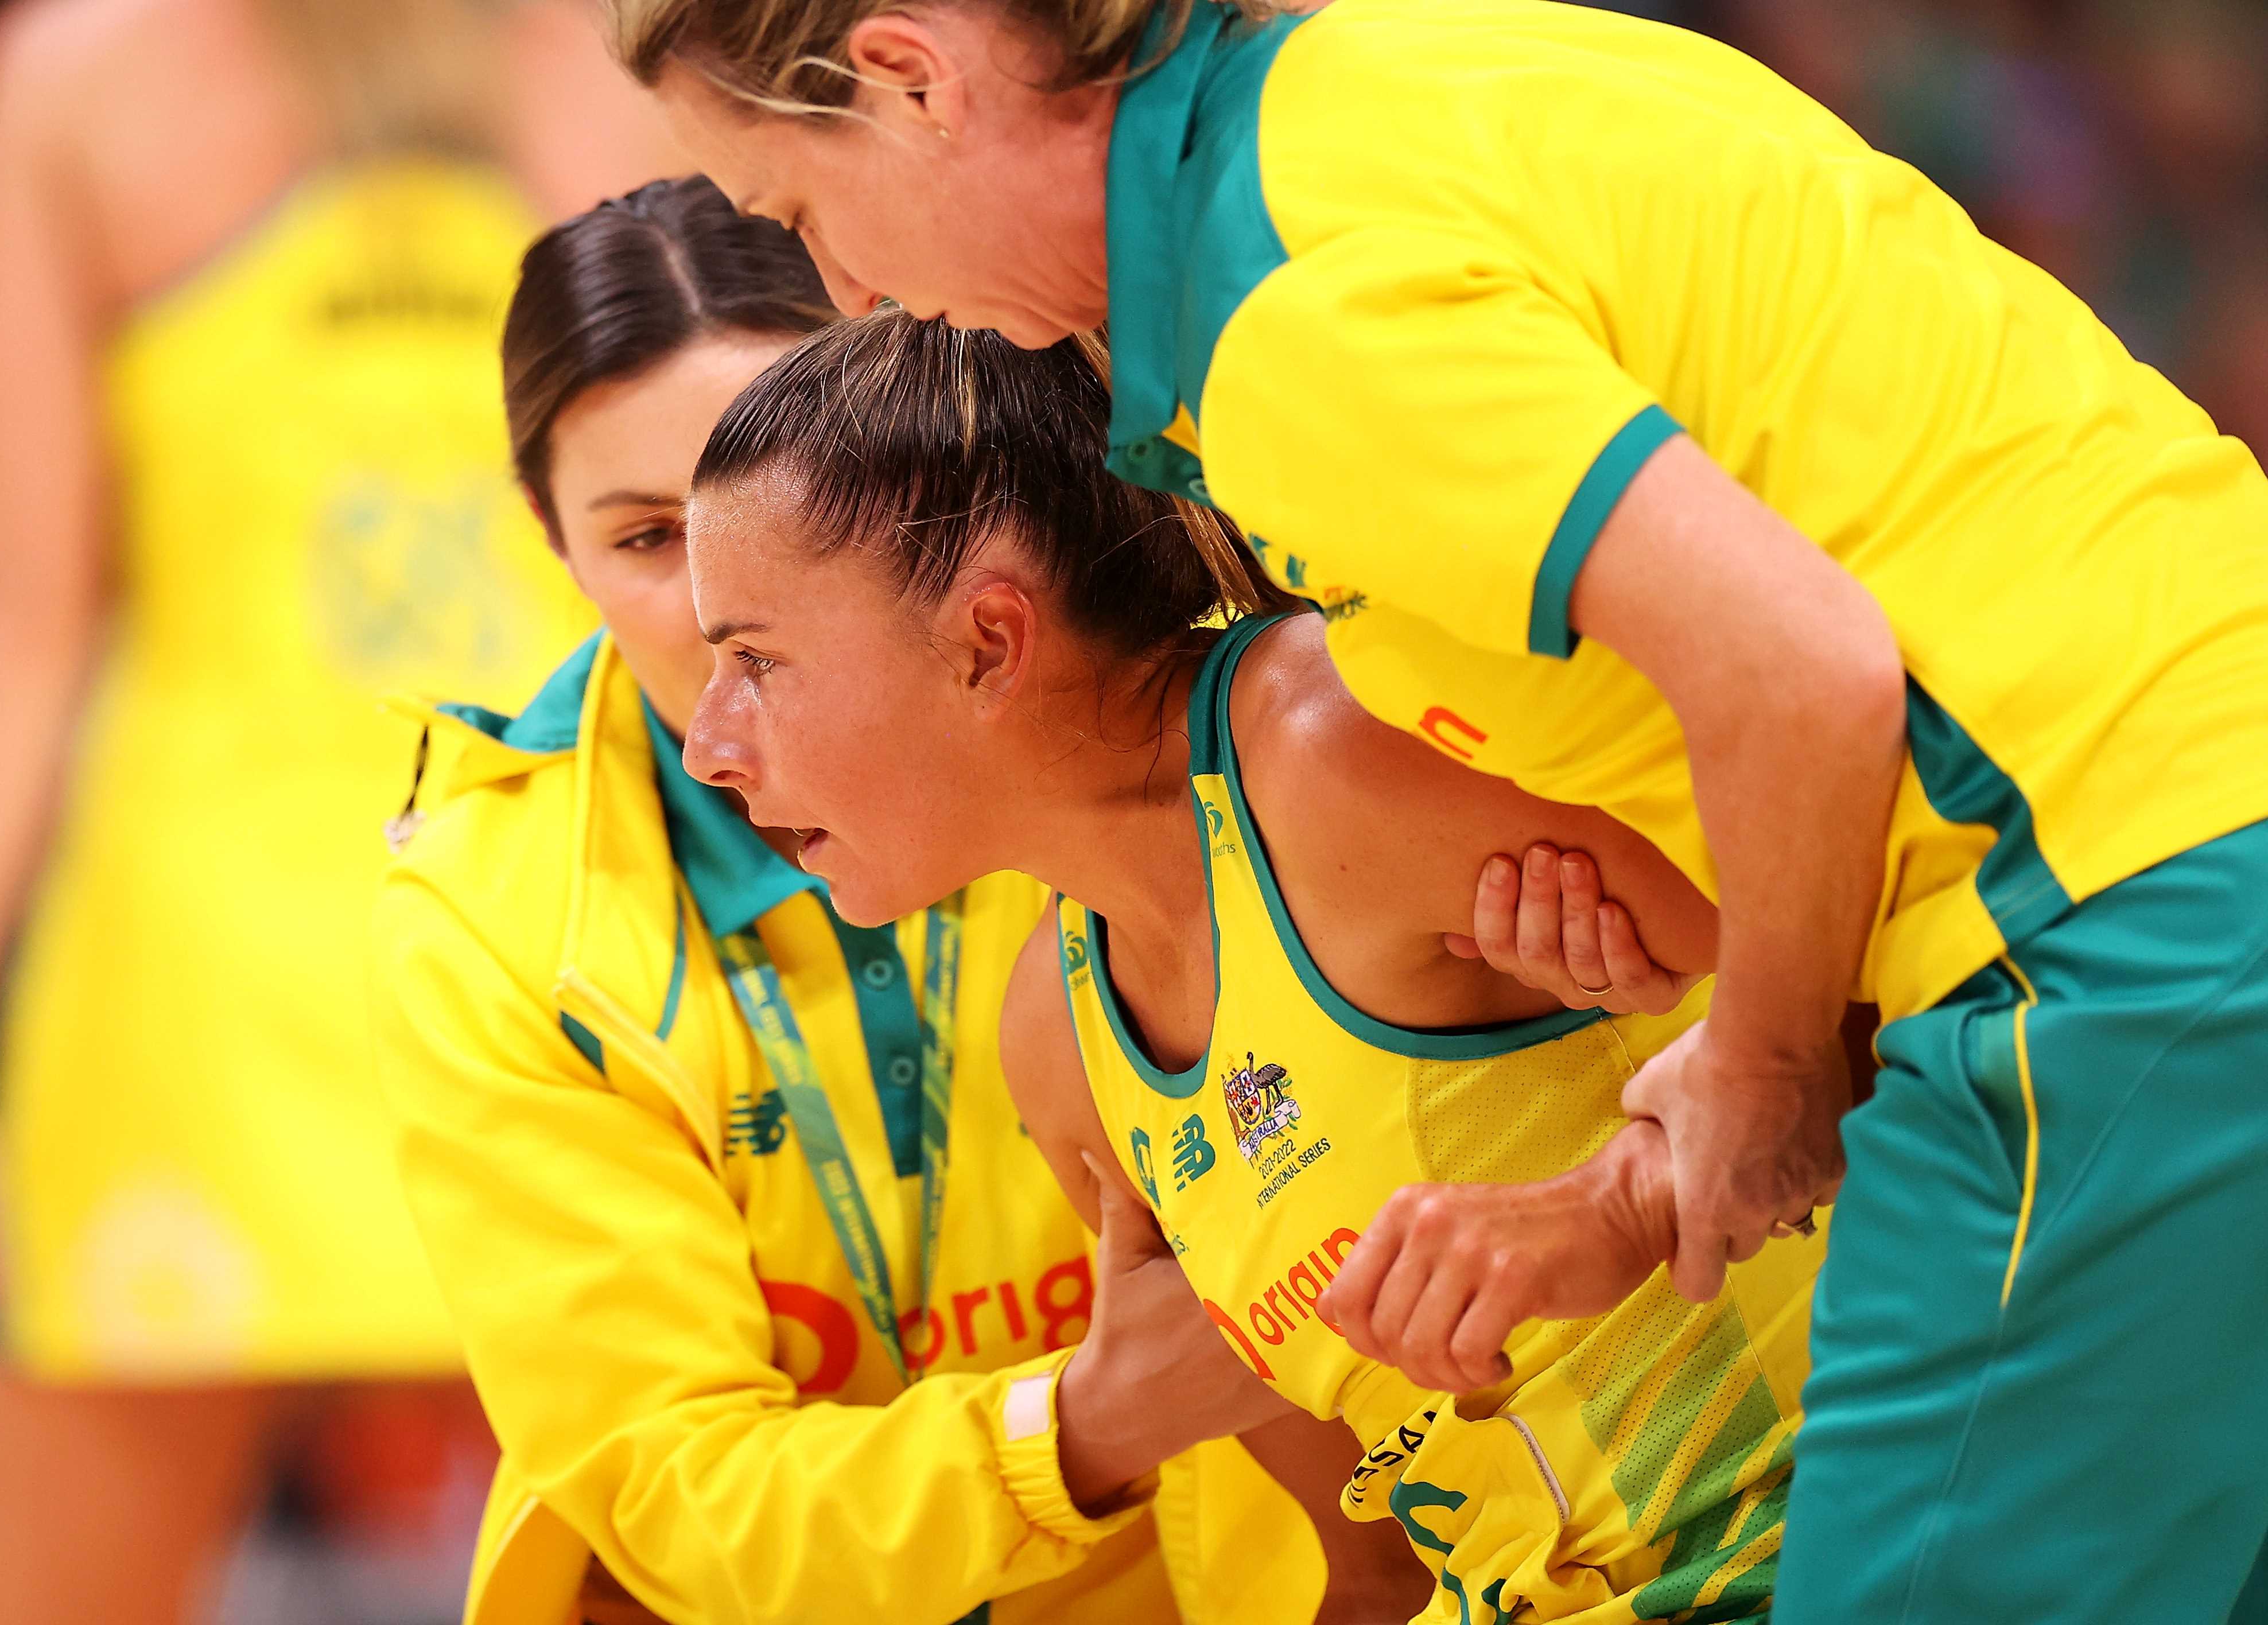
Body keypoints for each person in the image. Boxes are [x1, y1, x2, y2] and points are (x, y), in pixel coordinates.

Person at [600, 3, 2268, 1619]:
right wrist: (1639, 1173)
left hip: (2115, 902)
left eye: (799, 210)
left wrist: (1751, 1063)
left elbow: (1805, 671)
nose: (849, 286)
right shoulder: (1382, 84)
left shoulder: (1282, 322)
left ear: (909, 78)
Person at [373, 180, 1439, 1625]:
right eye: (642, 540)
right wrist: (1092, 1424)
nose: (715, 598)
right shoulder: (493, 915)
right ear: (544, 539)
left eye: (763, 505)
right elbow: (680, 1493)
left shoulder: (1207, 703)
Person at [675, 309, 1826, 1619]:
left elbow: (1941, 1015)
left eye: (756, 661)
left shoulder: (1340, 756)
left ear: (990, 642)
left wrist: (1623, 1197)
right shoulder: (1058, 1051)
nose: (711, 742)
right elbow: (1375, 1569)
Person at [0, 1, 669, 1617]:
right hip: (195, 981)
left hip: (586, 958)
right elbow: (13, 600)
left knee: (701, 1553)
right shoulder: (74, 79)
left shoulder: (637, 50)